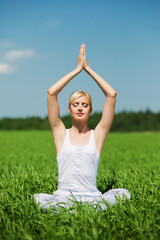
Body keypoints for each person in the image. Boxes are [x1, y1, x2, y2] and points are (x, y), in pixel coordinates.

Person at [33, 44, 131, 211]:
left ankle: (77, 212)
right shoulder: (60, 133)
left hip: (92, 198)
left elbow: (111, 94)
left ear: (90, 110)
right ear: (69, 109)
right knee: (38, 198)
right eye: (75, 104)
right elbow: (51, 93)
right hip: (63, 197)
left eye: (84, 105)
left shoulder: (97, 135)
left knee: (124, 193)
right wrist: (77, 69)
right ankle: (73, 211)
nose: (80, 108)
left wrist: (88, 69)